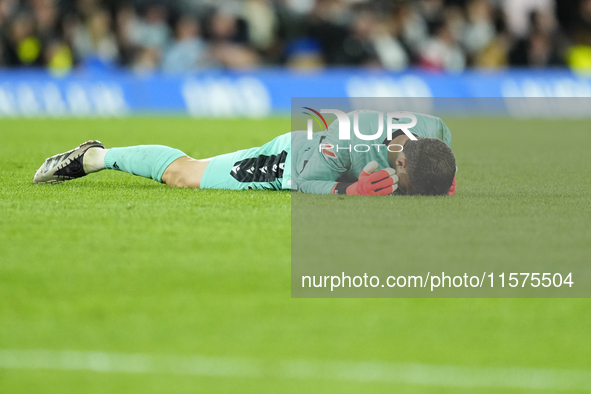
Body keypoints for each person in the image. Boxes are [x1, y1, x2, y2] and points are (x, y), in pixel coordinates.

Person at [33, 111, 457, 196]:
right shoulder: (344, 141)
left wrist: (446, 178)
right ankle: (95, 157)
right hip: (294, 158)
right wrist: (351, 193)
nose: (405, 195)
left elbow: (441, 150)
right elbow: (307, 180)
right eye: (405, 186)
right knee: (184, 174)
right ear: (399, 162)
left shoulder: (434, 132)